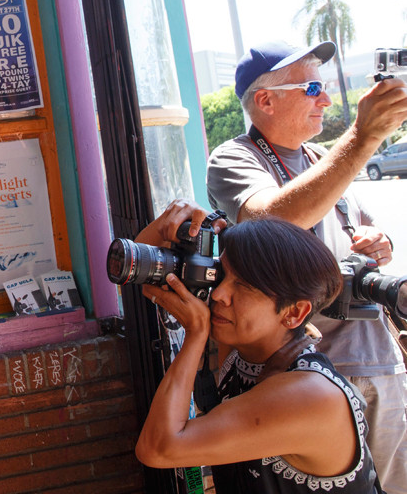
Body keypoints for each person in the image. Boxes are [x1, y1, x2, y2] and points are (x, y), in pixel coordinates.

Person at [207, 40, 407, 492]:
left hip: (377, 356)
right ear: (265, 100)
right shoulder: (235, 158)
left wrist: (380, 243)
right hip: (317, 375)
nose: (327, 99)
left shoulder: (321, 159)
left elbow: (365, 232)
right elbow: (269, 225)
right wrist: (362, 136)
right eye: (312, 87)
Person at [135, 200, 384, 493]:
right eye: (223, 276)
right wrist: (170, 223)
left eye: (245, 286)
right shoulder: (248, 345)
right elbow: (145, 277)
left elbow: (159, 448)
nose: (220, 295)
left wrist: (196, 334)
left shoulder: (310, 396)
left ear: (293, 313)